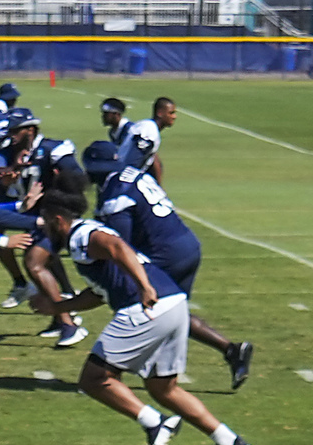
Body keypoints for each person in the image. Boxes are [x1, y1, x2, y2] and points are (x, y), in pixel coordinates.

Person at [31, 174, 252, 445]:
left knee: (94, 379)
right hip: (174, 304)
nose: (43, 227)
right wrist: (58, 307)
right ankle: (230, 442)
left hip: (147, 307)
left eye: (45, 221)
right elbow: (98, 294)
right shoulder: (82, 239)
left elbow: (119, 248)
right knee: (164, 388)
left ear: (58, 219)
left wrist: (144, 286)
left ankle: (155, 424)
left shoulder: (83, 235)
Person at [99, 155, 257, 392]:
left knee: (142, 302)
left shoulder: (115, 191)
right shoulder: (134, 176)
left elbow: (122, 243)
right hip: (187, 244)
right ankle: (232, 350)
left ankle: (113, 370)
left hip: (166, 252)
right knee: (174, 311)